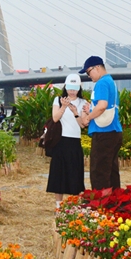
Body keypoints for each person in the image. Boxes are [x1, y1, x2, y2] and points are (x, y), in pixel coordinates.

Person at [77, 56, 123, 195]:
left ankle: (101, 203)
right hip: (114, 132)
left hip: (104, 133)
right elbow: (105, 106)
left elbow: (102, 106)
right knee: (111, 171)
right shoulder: (110, 81)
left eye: (88, 72)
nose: (88, 76)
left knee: (99, 172)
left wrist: (88, 117)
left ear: (97, 68)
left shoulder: (101, 83)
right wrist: (91, 109)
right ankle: (115, 200)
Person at [46, 74, 86, 208]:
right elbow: (55, 118)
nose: (72, 91)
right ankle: (58, 204)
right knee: (58, 173)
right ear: (65, 87)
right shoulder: (58, 100)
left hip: (74, 141)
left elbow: (83, 124)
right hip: (60, 140)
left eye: (75, 88)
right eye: (70, 88)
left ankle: (74, 204)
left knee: (75, 172)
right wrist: (63, 107)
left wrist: (75, 112)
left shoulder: (83, 103)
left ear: (79, 88)